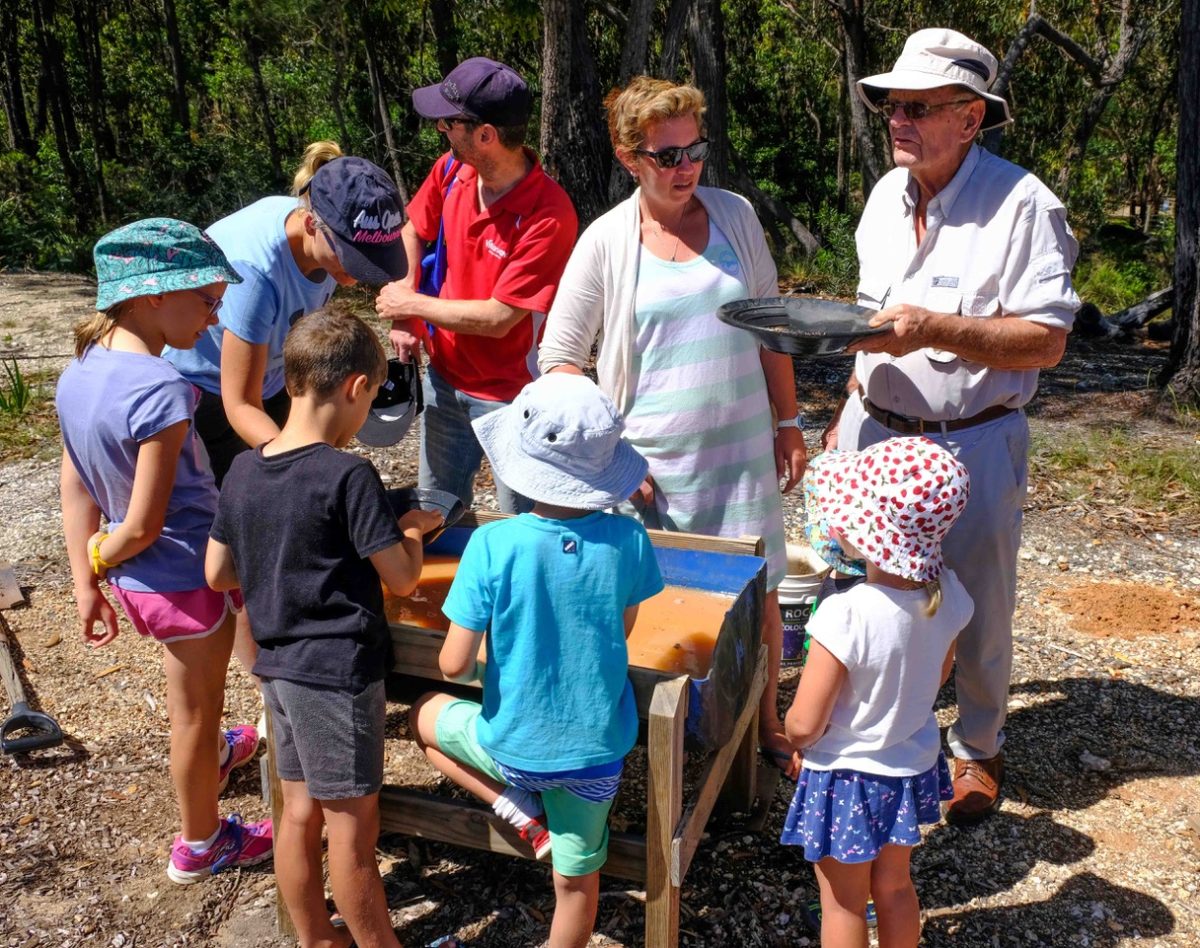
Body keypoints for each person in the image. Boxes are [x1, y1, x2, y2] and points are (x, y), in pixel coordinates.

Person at [825, 28, 1081, 823]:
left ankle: (977, 748)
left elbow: (1047, 337)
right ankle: (876, 734)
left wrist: (935, 328)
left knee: (979, 599)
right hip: (876, 428)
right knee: (868, 592)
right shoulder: (882, 197)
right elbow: (874, 323)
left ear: (971, 119)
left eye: (918, 106)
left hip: (973, 437)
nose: (897, 119)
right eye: (891, 104)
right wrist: (845, 410)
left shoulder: (1023, 204)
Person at [537, 76, 806, 777]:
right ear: (631, 158)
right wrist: (612, 455)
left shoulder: (736, 216)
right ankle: (662, 737)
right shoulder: (605, 242)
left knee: (761, 588)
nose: (685, 169)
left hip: (742, 447)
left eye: (694, 152)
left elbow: (773, 324)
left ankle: (766, 724)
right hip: (652, 463)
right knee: (657, 601)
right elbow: (559, 360)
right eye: (667, 156)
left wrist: (789, 420)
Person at [206, 305, 442, 948]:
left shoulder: (245, 469)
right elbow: (399, 579)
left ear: (291, 381)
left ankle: (316, 937)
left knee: (299, 814)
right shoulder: (348, 474)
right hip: (336, 675)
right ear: (358, 387)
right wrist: (414, 532)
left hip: (277, 669)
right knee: (352, 830)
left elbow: (219, 572)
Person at [409, 373, 664, 948]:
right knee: (576, 887)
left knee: (423, 715)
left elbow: (453, 665)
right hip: (597, 758)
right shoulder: (630, 541)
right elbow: (618, 632)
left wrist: (501, 669)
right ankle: (537, 817)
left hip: (514, 747)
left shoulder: (493, 544)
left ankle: (514, 803)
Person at [57, 219, 271, 884]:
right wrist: (101, 556)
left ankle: (215, 751)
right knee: (194, 709)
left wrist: (85, 580)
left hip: (145, 586)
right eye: (207, 301)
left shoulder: (80, 373)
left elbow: (74, 487)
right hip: (182, 574)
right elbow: (143, 524)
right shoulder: (160, 390)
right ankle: (202, 843)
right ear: (154, 296)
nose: (213, 321)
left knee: (196, 697)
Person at [164, 141, 408, 682]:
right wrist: (300, 473)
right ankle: (270, 676)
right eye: (354, 261)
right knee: (262, 526)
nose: (359, 276)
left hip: (271, 378)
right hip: (207, 393)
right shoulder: (253, 269)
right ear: (315, 227)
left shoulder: (319, 242)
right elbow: (238, 402)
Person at [781, 436, 974, 948]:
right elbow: (937, 676)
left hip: (846, 777)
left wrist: (795, 742)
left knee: (844, 902)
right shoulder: (949, 593)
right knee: (893, 887)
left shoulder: (847, 614)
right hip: (908, 766)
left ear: (860, 530)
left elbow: (804, 722)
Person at [374, 57, 578, 514]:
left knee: (524, 525)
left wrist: (414, 304)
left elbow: (498, 318)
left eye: (449, 122)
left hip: (515, 398)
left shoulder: (549, 213)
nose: (441, 130)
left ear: (485, 134)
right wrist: (407, 308)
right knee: (436, 514)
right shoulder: (451, 172)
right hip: (444, 380)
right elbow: (412, 229)